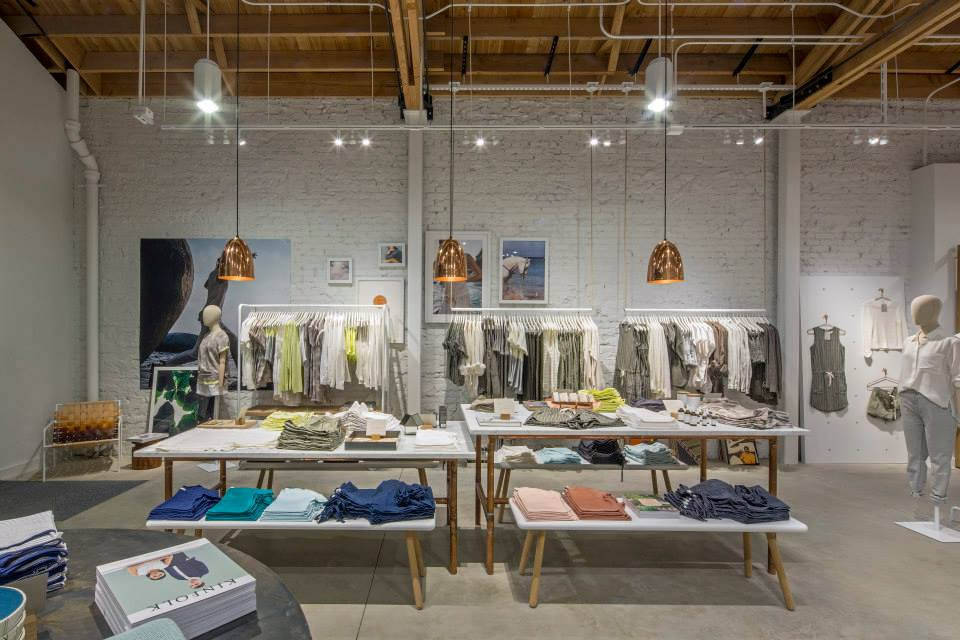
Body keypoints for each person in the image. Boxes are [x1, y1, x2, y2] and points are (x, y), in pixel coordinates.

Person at [127, 552, 209, 589]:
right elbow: (196, 562)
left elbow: (166, 570)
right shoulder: (204, 572)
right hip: (179, 557)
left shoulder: (179, 578)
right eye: (196, 584)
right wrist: (184, 560)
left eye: (192, 585)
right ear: (201, 581)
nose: (193, 583)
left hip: (163, 561)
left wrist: (162, 564)